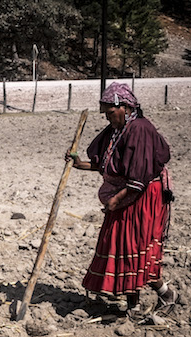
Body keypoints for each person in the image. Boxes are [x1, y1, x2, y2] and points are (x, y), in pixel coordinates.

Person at [68, 82, 179, 319]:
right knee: (120, 246)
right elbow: (109, 164)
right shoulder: (117, 129)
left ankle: (164, 295)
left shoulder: (140, 129)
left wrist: (116, 200)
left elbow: (139, 175)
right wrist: (79, 164)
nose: (108, 118)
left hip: (142, 196)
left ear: (125, 108)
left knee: (134, 247)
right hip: (125, 195)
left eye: (110, 112)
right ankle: (135, 306)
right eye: (105, 113)